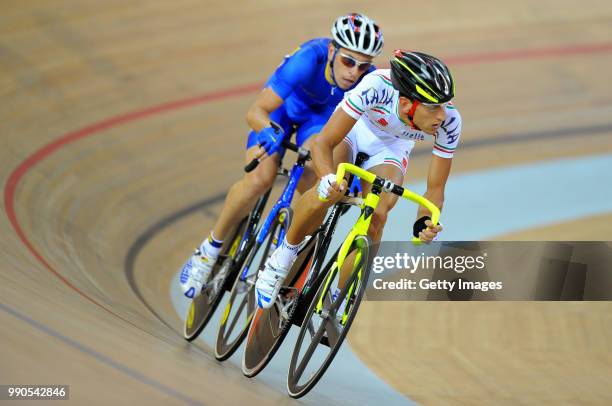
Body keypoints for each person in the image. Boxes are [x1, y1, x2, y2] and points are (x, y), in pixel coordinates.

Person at [180, 13, 384, 299]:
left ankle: (285, 246)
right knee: (259, 179)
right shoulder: (306, 60)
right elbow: (256, 112)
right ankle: (209, 250)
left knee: (319, 175)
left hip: (318, 124)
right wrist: (268, 133)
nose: (354, 72)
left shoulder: (368, 83)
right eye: (348, 61)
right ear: (331, 51)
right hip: (281, 112)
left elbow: (356, 138)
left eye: (363, 66)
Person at [255, 50, 462, 309]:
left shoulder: (450, 122)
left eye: (443, 105)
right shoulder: (376, 87)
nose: (442, 115)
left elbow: (435, 190)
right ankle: (281, 259)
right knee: (326, 191)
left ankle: (340, 297)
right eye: (433, 107)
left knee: (379, 214)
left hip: (392, 148)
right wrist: (327, 177)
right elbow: (324, 142)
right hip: (355, 131)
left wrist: (424, 220)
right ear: (408, 104)